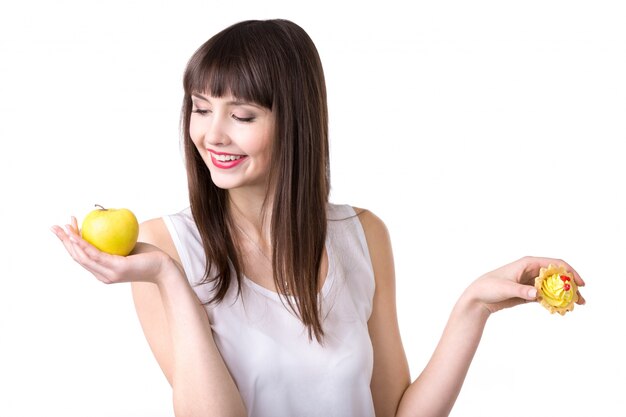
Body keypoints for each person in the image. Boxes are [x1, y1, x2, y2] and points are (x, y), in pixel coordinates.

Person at [50, 19, 585, 417]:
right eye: (200, 107)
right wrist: (167, 278)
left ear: (296, 120)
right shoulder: (163, 246)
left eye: (241, 115)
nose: (212, 134)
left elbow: (394, 413)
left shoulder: (362, 235)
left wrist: (474, 306)